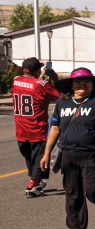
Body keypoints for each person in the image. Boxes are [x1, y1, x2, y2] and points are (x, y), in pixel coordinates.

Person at [40, 68, 95, 229]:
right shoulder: (63, 103)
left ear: (92, 84)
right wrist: (46, 153)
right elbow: (54, 128)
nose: (82, 84)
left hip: (94, 154)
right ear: (71, 85)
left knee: (93, 190)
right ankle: (76, 226)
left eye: (86, 80)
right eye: (77, 81)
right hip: (69, 155)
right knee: (72, 192)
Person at [12, 57, 60, 197]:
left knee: (30, 158)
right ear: (37, 69)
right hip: (37, 128)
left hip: (21, 129)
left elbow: (29, 84)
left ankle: (37, 181)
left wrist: (41, 78)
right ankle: (32, 185)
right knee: (40, 156)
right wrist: (54, 78)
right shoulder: (41, 84)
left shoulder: (16, 80)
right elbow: (60, 96)